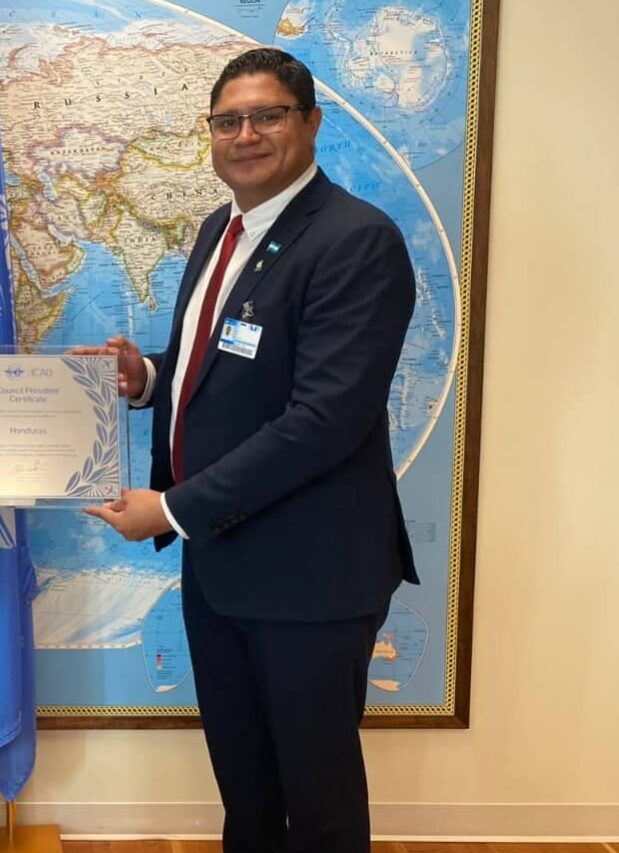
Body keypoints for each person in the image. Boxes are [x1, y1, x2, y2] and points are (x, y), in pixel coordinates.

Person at [85, 48, 418, 851]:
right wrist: (146, 378)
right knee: (247, 791)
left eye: (266, 115)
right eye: (226, 120)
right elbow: (223, 369)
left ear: (310, 122)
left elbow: (323, 421)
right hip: (223, 565)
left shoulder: (354, 241)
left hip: (309, 576)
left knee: (318, 800)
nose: (245, 135)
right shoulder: (222, 229)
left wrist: (170, 507)